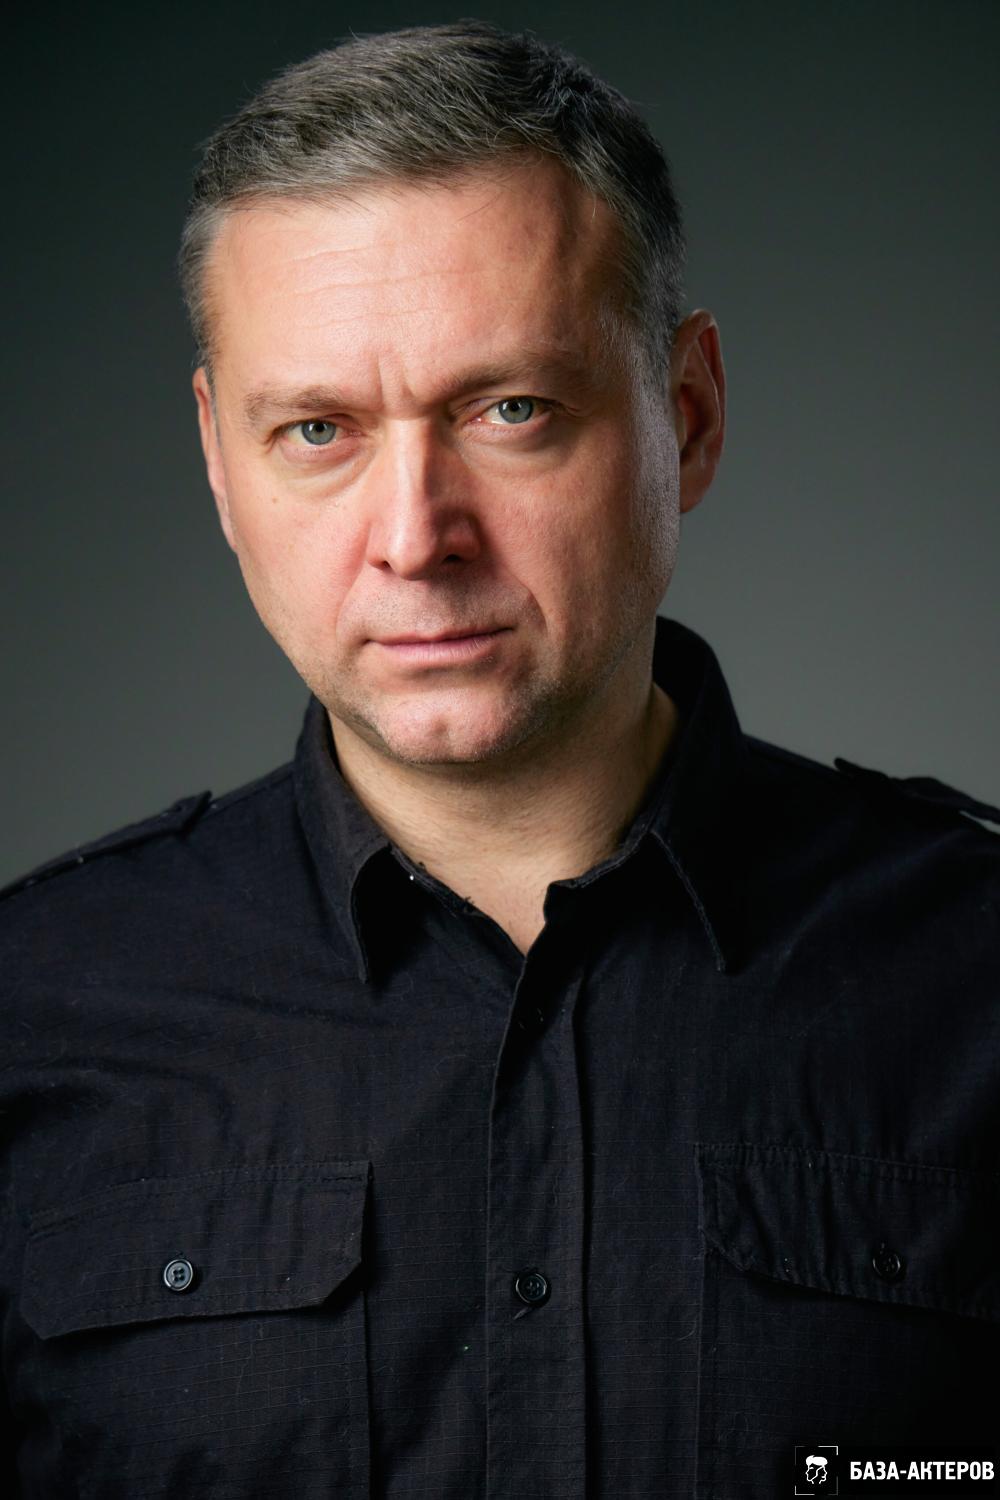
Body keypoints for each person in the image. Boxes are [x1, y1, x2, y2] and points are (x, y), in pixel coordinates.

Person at [1, 21, 997, 1500]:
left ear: (689, 414)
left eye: (510, 410)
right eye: (319, 429)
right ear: (219, 462)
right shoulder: (29, 1010)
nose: (415, 537)